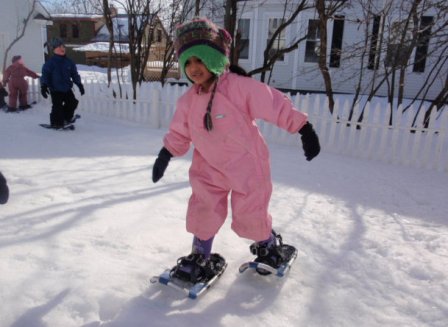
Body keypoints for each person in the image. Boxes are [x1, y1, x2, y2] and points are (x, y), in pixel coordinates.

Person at [151, 17, 320, 281]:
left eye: (201, 59)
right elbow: (179, 132)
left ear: (215, 59)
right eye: (188, 62)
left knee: (249, 212)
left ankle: (267, 246)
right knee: (203, 208)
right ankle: (200, 254)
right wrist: (165, 154)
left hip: (246, 163)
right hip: (208, 165)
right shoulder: (188, 101)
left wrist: (303, 128)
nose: (194, 68)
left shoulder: (239, 88)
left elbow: (274, 103)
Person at [40, 38, 84, 128]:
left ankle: (66, 118)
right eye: (59, 47)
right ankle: (56, 123)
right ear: (54, 49)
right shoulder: (50, 63)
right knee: (57, 107)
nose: (62, 48)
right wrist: (44, 86)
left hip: (67, 88)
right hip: (55, 89)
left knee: (73, 103)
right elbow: (45, 75)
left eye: (63, 46)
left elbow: (74, 74)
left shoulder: (69, 62)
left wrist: (79, 84)